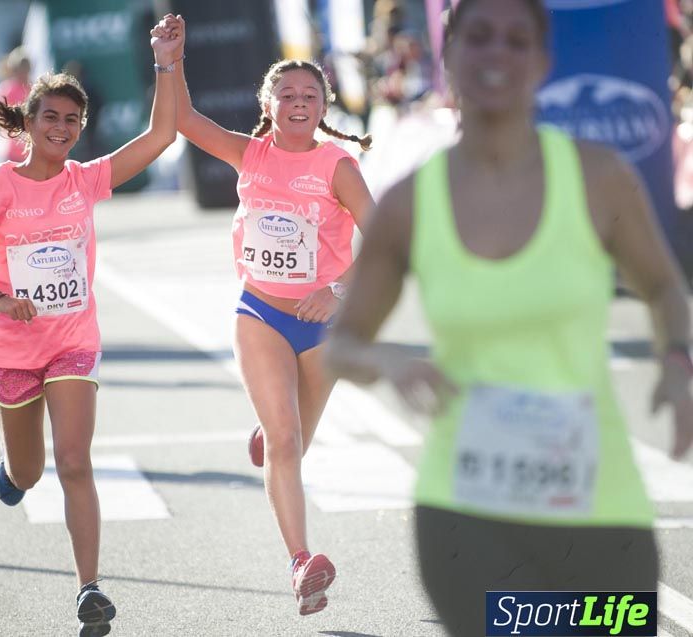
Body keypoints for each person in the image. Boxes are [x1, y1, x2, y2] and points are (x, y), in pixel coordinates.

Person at [325, 1, 693, 634]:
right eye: (480, 37)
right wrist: (388, 359)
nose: (498, 53)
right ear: (448, 58)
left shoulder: (600, 179)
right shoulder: (410, 203)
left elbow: (662, 287)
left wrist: (677, 359)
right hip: (469, 522)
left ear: (543, 61)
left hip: (601, 512)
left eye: (517, 40)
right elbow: (342, 345)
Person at [0, 17, 180, 637]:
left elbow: (160, 135)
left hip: (73, 341)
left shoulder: (85, 179)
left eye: (73, 121)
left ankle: (89, 589)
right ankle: (11, 473)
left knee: (75, 462)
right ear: (29, 122)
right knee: (31, 471)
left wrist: (166, 61)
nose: (62, 129)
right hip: (10, 346)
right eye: (51, 117)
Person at [168, 16, 373, 615]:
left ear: (324, 105)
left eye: (311, 95)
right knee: (285, 441)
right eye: (288, 95)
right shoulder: (248, 153)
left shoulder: (337, 165)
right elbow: (183, 120)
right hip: (259, 312)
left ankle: (266, 426)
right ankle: (301, 563)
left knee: (295, 441)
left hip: (322, 324)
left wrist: (337, 290)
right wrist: (170, 59)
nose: (300, 103)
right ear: (268, 103)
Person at [0, 46, 31, 163]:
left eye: (26, 68)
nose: (24, 72)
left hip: (31, 149)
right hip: (12, 150)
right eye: (21, 68)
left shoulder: (34, 88)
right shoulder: (7, 89)